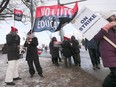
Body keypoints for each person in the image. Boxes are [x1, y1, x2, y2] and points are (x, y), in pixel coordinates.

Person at [93, 11, 116, 87]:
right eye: (112, 16)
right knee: (115, 73)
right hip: (108, 53)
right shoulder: (101, 26)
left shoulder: (114, 26)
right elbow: (96, 38)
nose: (115, 17)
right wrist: (106, 27)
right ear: (107, 18)